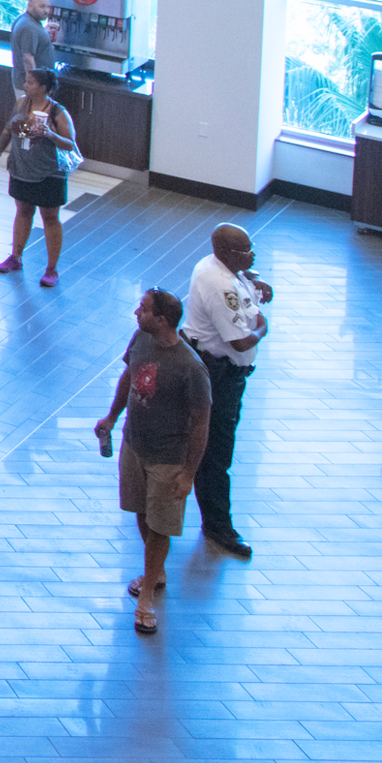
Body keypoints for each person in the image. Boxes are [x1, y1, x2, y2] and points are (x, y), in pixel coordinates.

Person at [96, 288, 212, 635]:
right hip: (135, 445)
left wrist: (188, 473)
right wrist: (112, 418)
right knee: (143, 513)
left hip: (167, 458)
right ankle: (156, 570)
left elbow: (201, 424)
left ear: (161, 320)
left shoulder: (191, 369)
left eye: (144, 309)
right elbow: (129, 379)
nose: (136, 313)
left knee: (161, 524)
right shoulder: (140, 340)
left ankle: (146, 595)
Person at [182, 221, 269, 559]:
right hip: (220, 375)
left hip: (223, 371)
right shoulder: (220, 285)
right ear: (228, 253)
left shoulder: (216, 265)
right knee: (216, 450)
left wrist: (254, 282)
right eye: (247, 250)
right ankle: (218, 525)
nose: (253, 253)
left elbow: (241, 279)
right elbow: (239, 339)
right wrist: (263, 330)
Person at [0, 66, 76, 285]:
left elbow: (70, 144)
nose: (25, 85)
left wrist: (49, 134)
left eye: (30, 82)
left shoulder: (58, 113)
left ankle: (51, 269)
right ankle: (16, 256)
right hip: (22, 168)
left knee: (49, 218)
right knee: (23, 211)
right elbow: (10, 129)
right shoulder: (21, 103)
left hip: (48, 173)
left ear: (43, 87)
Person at [11, 0, 57, 81]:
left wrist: (44, 32)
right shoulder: (29, 28)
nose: (46, 11)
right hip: (29, 85)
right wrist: (33, 84)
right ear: (30, 6)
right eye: (42, 7)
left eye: (48, 7)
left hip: (30, 82)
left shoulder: (25, 19)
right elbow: (28, 59)